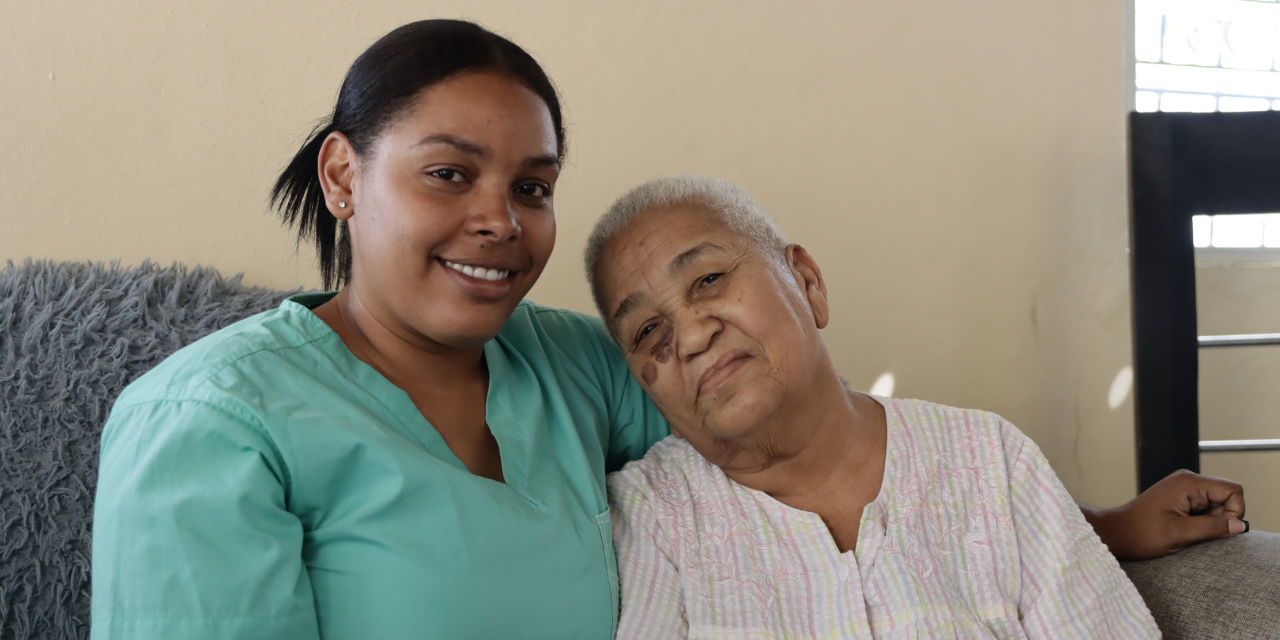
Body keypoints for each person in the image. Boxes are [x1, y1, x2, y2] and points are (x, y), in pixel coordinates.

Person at [90, 19, 1243, 640]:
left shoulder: (569, 365)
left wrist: (1068, 524)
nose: (498, 219)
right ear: (344, 176)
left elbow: (797, 448)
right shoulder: (213, 425)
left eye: (532, 186)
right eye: (448, 173)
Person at [586, 176, 1244, 639]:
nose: (691, 336)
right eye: (648, 331)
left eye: (708, 279)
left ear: (807, 282)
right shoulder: (653, 518)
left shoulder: (989, 459)